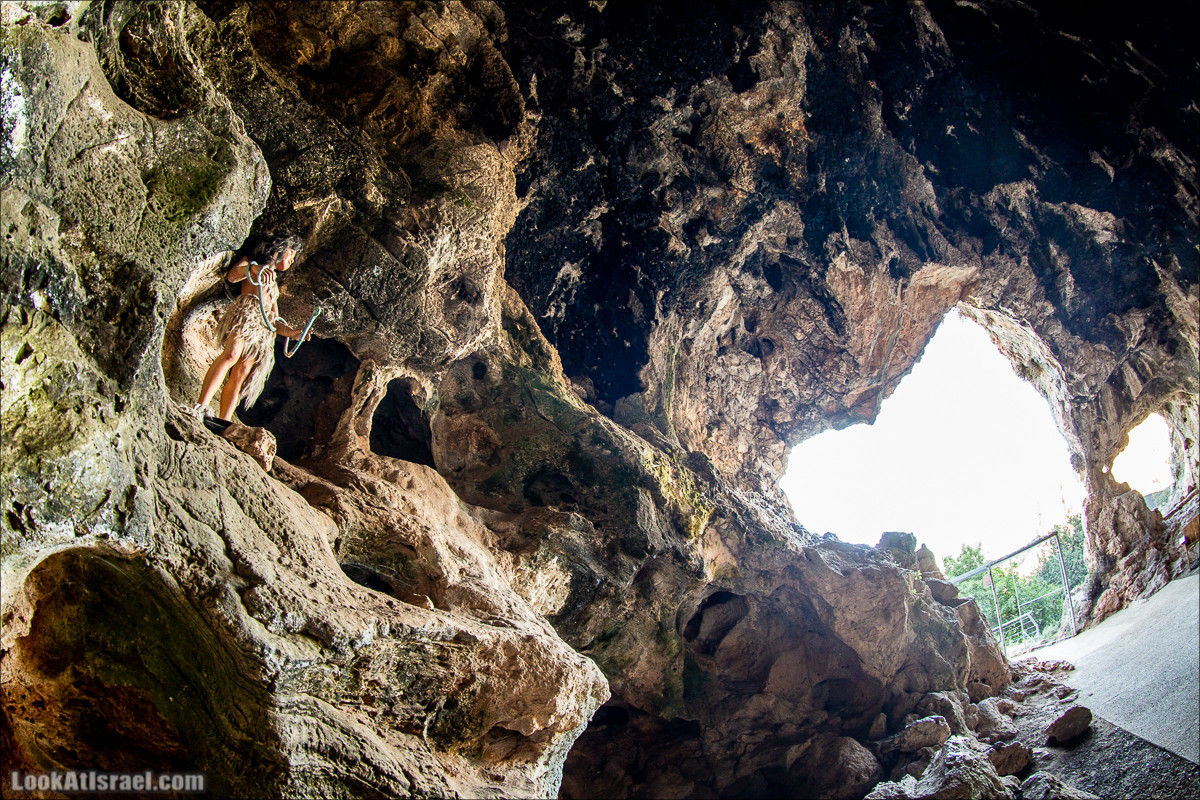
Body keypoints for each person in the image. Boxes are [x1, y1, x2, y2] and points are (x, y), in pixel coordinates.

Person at [194, 235, 310, 423]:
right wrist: (254, 269)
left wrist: (292, 332)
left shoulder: (274, 284)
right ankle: (200, 406)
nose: (292, 259)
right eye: (292, 253)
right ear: (281, 247)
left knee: (241, 373)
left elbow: (273, 318)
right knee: (231, 354)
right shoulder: (254, 263)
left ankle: (223, 421)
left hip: (262, 330)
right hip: (246, 316)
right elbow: (232, 276)